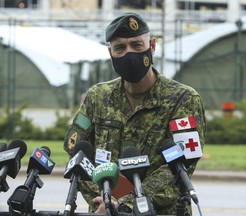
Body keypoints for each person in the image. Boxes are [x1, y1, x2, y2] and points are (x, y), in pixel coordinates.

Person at [63, 12, 206, 215]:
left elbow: (180, 166)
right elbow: (77, 156)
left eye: (137, 45)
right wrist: (104, 199)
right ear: (110, 53)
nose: (129, 54)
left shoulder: (182, 99)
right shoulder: (97, 96)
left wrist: (125, 203)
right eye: (120, 47)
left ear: (152, 46)